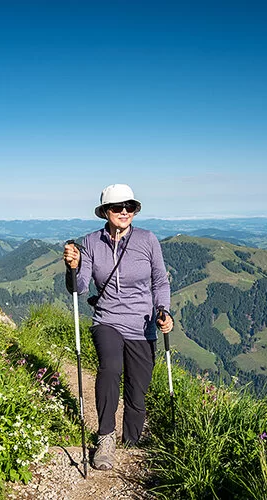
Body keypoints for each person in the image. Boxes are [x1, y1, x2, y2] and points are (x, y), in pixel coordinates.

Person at [63, 183, 173, 471]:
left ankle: (133, 443)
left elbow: (160, 281)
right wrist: (72, 267)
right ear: (105, 212)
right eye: (117, 207)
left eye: (130, 207)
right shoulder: (90, 243)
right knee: (110, 368)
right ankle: (106, 437)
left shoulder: (148, 240)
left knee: (138, 391)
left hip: (143, 324)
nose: (124, 211)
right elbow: (80, 287)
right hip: (107, 319)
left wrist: (163, 310)